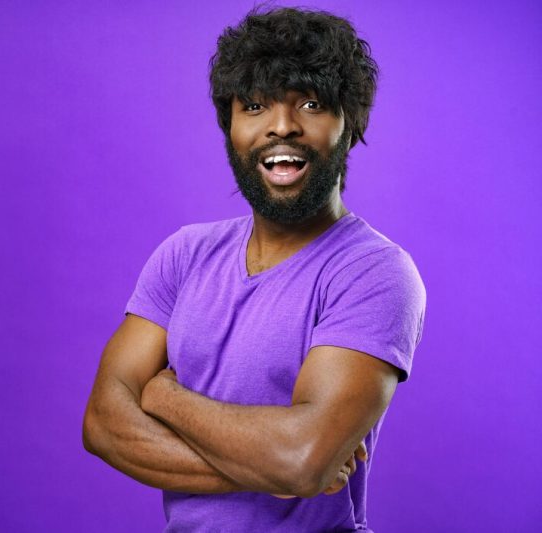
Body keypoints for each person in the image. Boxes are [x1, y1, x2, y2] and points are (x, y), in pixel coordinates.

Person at [83, 6, 426, 532]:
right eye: (256, 106)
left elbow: (303, 457)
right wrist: (278, 465)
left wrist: (162, 396)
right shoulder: (184, 254)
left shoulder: (375, 273)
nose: (282, 126)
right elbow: (104, 424)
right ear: (231, 126)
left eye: (310, 104)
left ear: (349, 124)